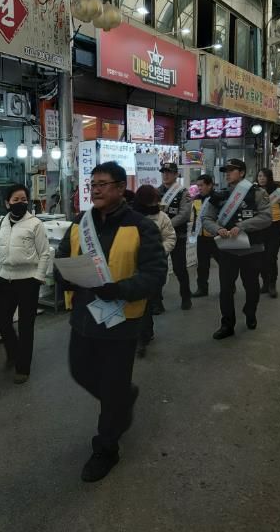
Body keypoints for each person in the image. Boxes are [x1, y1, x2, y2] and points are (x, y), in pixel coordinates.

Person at [56, 161, 167, 482]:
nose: (96, 190)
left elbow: (155, 274)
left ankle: (106, 448)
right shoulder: (79, 223)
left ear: (120, 188)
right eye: (93, 184)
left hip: (121, 320)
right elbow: (62, 259)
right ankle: (121, 400)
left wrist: (118, 289)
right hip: (83, 317)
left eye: (103, 184)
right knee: (80, 371)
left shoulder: (141, 226)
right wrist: (64, 277)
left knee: (113, 383)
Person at [202, 159, 271, 340]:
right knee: (226, 289)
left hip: (252, 249)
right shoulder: (219, 195)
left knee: (252, 287)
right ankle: (227, 324)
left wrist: (242, 226)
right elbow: (206, 218)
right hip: (228, 250)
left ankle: (250, 311)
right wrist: (218, 229)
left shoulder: (257, 193)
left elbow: (266, 218)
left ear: (242, 173)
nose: (227, 173)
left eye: (232, 170)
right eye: (226, 170)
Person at [0, 184, 50, 384]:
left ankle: (22, 367)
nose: (20, 203)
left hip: (28, 281)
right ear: (7, 203)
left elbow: (45, 253)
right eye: (16, 200)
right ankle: (14, 352)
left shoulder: (35, 224)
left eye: (24, 200)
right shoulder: (1, 222)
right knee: (2, 320)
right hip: (5, 279)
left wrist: (38, 278)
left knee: (26, 326)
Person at [133, 184, 176, 356]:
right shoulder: (131, 216)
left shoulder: (162, 217)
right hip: (133, 267)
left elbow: (170, 238)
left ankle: (143, 336)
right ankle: (142, 336)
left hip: (153, 267)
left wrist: (158, 252)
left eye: (155, 201)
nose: (153, 204)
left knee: (147, 302)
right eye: (149, 201)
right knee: (139, 302)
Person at [157, 162, 192, 311]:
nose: (165, 175)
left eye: (169, 172)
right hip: (160, 238)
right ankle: (157, 302)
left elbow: (184, 214)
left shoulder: (183, 192)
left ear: (176, 175)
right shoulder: (157, 191)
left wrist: (166, 225)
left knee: (179, 268)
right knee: (159, 269)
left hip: (178, 236)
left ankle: (186, 297)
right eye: (163, 172)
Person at [256, 168, 280, 298]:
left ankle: (272, 284)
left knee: (271, 257)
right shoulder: (254, 191)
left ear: (269, 177)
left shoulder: (278, 191)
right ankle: (265, 283)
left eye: (264, 176)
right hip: (260, 228)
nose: (261, 178)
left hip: (275, 228)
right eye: (259, 176)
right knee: (261, 258)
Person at [191, 174, 220, 298]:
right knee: (202, 265)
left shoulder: (217, 198)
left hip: (216, 236)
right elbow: (196, 216)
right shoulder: (196, 199)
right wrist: (194, 230)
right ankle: (202, 288)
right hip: (201, 236)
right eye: (198, 185)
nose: (199, 188)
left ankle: (229, 286)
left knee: (223, 263)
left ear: (210, 185)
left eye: (201, 185)